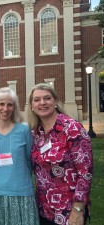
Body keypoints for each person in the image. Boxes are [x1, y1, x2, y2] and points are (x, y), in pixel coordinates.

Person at [27, 83, 93, 225]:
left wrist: (78, 209)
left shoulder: (71, 128)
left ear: (55, 101)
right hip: (44, 210)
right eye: (37, 100)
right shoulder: (36, 134)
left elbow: (85, 172)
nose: (42, 103)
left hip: (68, 211)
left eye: (47, 98)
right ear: (32, 105)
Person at [0, 87, 39, 225]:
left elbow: (29, 161)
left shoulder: (24, 130)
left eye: (9, 104)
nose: (5, 108)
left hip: (21, 192)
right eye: (1, 104)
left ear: (14, 107)